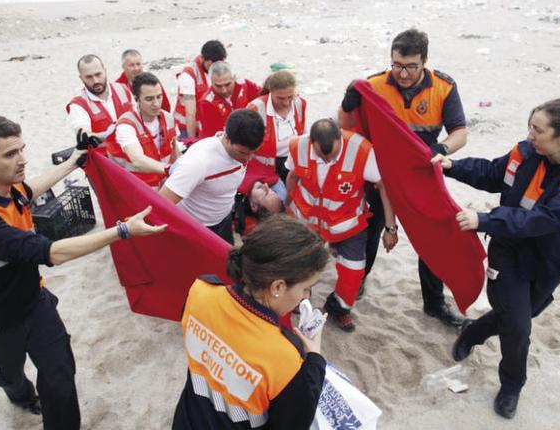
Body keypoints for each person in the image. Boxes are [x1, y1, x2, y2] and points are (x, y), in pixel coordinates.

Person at [0, 115, 166, 430]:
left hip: (34, 303)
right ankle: (20, 395)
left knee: (60, 375)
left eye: (22, 149)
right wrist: (122, 231)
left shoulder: (8, 188)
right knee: (8, 377)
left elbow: (29, 190)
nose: (22, 160)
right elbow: (53, 252)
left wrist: (74, 162)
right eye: (10, 154)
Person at [435, 94, 560, 419]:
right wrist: (452, 167)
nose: (530, 135)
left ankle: (474, 331)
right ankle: (512, 384)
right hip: (510, 250)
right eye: (530, 127)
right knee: (518, 327)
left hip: (551, 258)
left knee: (529, 312)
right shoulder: (526, 152)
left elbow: (546, 219)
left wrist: (484, 219)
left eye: (538, 130)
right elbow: (492, 173)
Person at [340, 28, 468, 326]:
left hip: (422, 173)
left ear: (425, 61)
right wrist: (346, 104)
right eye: (397, 65)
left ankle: (434, 303)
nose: (403, 73)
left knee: (432, 238)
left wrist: (441, 148)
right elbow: (345, 127)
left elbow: (460, 133)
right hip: (379, 172)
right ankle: (358, 281)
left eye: (411, 66)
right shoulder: (373, 85)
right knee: (369, 230)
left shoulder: (443, 87)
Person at [173, 214, 330, 429]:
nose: (305, 297)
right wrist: (314, 360)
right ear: (277, 287)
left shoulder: (200, 290)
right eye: (304, 288)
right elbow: (295, 423)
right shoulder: (284, 358)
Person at [285, 119, 397, 332]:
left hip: (347, 225)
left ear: (340, 138)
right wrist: (288, 200)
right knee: (299, 263)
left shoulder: (362, 150)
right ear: (311, 142)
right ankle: (302, 296)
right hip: (306, 219)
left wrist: (390, 228)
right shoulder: (298, 146)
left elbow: (384, 187)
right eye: (321, 156)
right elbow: (292, 175)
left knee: (354, 271)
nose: (327, 160)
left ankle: (339, 308)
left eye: (332, 155)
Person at [159, 109, 265, 244]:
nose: (248, 159)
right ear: (227, 137)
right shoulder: (198, 162)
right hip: (198, 229)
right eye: (242, 153)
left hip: (224, 221)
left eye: (253, 152)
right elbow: (161, 203)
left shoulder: (241, 147)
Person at [110, 72, 180, 189]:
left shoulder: (168, 118)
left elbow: (175, 149)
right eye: (149, 99)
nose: (156, 104)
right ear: (136, 99)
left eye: (159, 96)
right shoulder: (126, 125)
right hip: (138, 189)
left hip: (165, 184)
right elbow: (137, 160)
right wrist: (168, 168)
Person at [65, 54, 133, 158]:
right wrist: (107, 134)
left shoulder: (123, 89)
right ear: (81, 78)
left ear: (105, 70)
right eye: (89, 77)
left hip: (132, 154)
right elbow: (84, 137)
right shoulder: (78, 104)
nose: (95, 80)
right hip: (105, 162)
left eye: (98, 74)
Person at [247, 70, 307, 182]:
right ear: (270, 92)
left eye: (290, 97)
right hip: (264, 168)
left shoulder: (299, 103)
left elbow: (304, 134)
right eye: (280, 98)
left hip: (292, 162)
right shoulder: (256, 108)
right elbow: (244, 142)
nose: (286, 103)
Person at [195, 61, 262, 139]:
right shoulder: (206, 103)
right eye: (218, 86)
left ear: (234, 78)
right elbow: (213, 136)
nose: (224, 90)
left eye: (227, 84)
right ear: (211, 83)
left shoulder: (244, 85)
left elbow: (263, 96)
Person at [175, 40, 227, 138]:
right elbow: (190, 113)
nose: (214, 69)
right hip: (187, 127)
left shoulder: (219, 68)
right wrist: (191, 141)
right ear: (202, 58)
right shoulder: (188, 75)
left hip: (206, 124)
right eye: (210, 65)